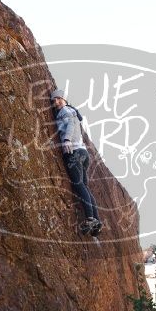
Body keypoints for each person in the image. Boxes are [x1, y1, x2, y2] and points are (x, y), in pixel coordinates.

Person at [50, 89, 103, 236]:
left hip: (74, 152)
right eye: (53, 101)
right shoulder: (72, 110)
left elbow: (71, 125)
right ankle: (97, 222)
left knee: (79, 185)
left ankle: (91, 218)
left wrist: (67, 140)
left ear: (64, 99)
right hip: (83, 153)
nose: (56, 102)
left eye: (58, 99)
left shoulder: (65, 111)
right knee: (84, 187)